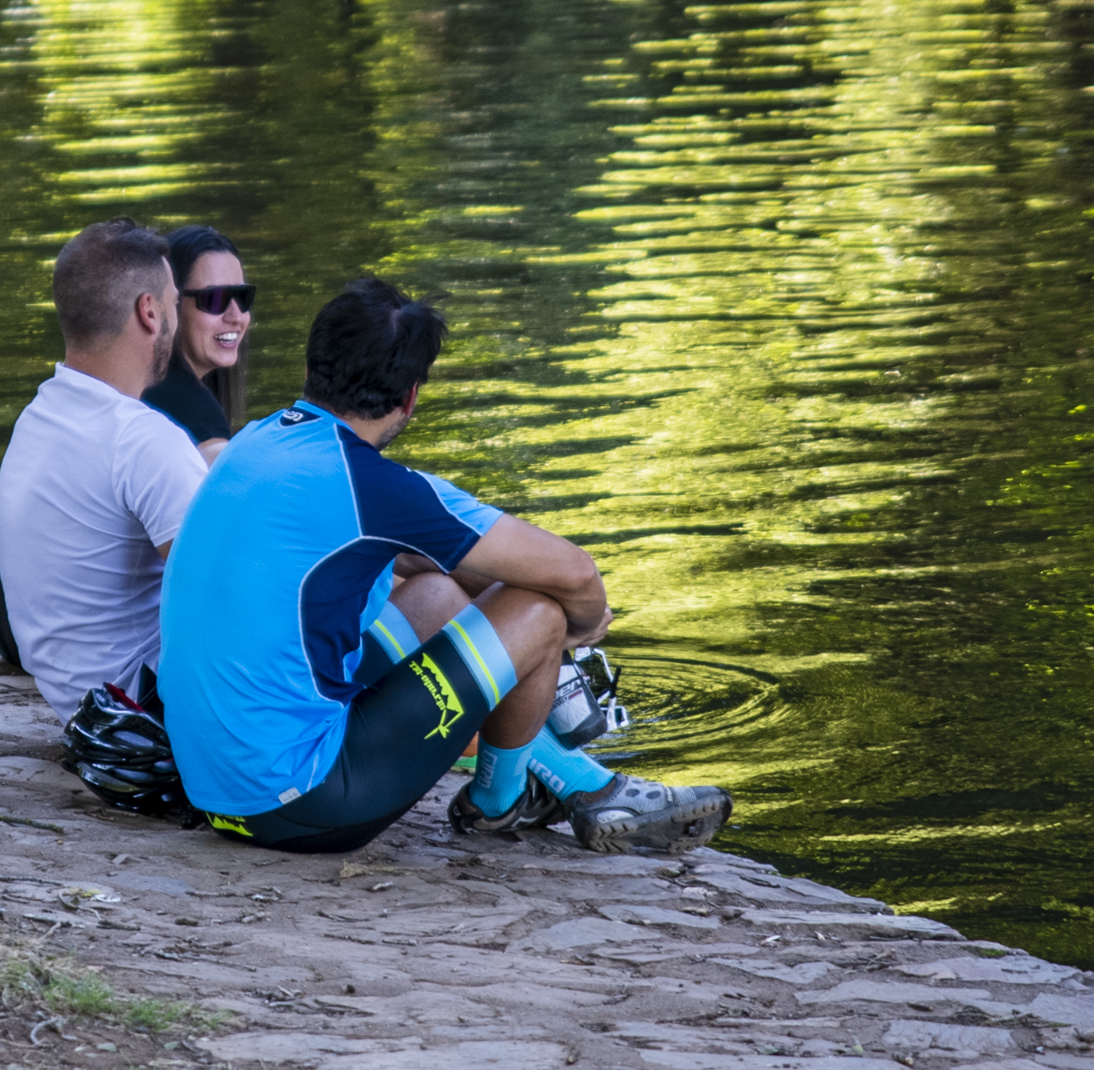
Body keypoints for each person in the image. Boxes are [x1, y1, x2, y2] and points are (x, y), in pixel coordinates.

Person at [155, 276, 731, 857]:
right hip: (299, 805)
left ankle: (573, 781)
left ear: (311, 372)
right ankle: (498, 804)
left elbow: (415, 559)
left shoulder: (256, 442)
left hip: (214, 787)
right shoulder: (371, 486)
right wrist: (572, 629)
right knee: (540, 610)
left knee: (435, 593)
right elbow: (576, 575)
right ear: (410, 397)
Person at [0, 220, 210, 717]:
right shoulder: (140, 439)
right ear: (149, 312)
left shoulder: (36, 421)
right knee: (424, 597)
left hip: (82, 711)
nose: (175, 318)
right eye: (175, 303)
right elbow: (229, 588)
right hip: (148, 720)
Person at [141, 224, 253, 460]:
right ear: (170, 304)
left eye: (242, 297)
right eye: (214, 300)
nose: (235, 317)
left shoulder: (137, 379)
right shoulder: (199, 418)